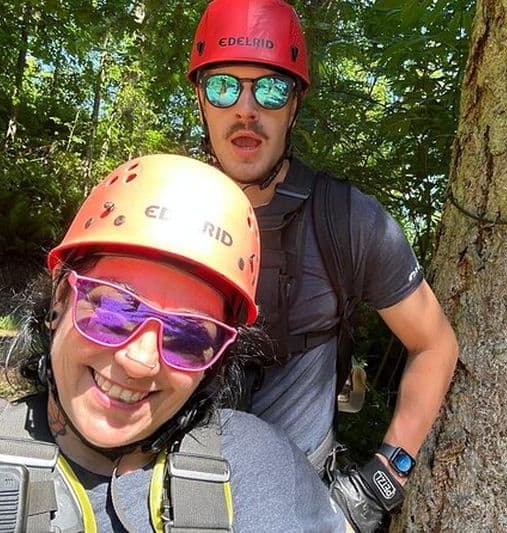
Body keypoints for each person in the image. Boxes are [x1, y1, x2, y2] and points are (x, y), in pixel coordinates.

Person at [0, 154, 347, 532]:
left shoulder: (262, 465)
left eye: (188, 336)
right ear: (60, 301)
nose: (140, 361)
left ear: (214, 362)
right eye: (115, 310)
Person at [185, 1, 460, 530]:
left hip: (300, 507)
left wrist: (385, 479)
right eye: (223, 86)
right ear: (200, 98)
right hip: (171, 495)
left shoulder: (346, 220)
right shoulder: (164, 209)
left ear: (294, 105)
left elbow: (435, 344)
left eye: (271, 89)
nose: (246, 109)